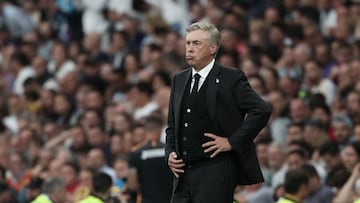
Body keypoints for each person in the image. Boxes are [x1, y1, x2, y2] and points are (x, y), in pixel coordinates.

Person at [165, 21, 271, 203]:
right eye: (188, 43)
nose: (189, 48)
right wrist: (170, 153)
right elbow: (172, 125)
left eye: (196, 43)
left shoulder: (231, 77)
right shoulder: (179, 79)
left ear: (213, 48)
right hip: (182, 174)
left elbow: (261, 110)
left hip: (215, 169)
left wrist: (232, 141)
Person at [127, 114, 172, 203]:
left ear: (145, 130)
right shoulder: (169, 150)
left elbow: (132, 185)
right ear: (160, 129)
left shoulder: (136, 152)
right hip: (170, 200)